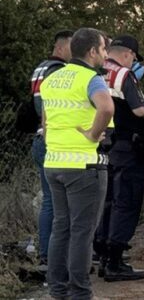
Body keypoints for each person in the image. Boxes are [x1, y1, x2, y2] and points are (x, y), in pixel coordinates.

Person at [41, 27, 114, 300]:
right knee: (82, 231)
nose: (105, 55)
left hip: (54, 163)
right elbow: (106, 108)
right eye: (104, 50)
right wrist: (94, 134)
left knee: (61, 228)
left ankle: (58, 290)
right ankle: (81, 293)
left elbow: (46, 124)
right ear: (92, 51)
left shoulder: (52, 79)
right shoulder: (90, 79)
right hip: (84, 165)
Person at [95, 35, 144, 282]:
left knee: (107, 202)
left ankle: (104, 255)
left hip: (103, 144)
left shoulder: (95, 72)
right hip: (127, 145)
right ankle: (115, 260)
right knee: (126, 201)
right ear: (128, 54)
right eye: (133, 58)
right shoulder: (124, 75)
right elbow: (139, 109)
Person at [29, 30, 73, 269]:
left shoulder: (40, 68)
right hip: (52, 137)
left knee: (49, 199)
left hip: (39, 137)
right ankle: (51, 254)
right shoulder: (58, 70)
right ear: (62, 47)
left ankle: (46, 253)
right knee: (57, 202)